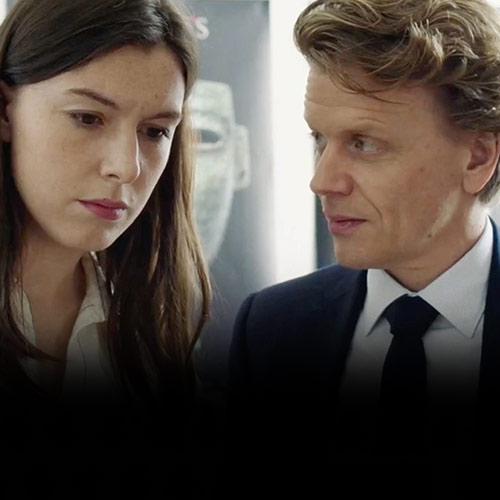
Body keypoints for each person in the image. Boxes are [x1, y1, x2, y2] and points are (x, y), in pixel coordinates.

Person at [226, 0, 500, 497]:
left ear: (478, 157)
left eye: (364, 144)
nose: (321, 181)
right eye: (319, 139)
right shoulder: (270, 330)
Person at [0, 0, 212, 495]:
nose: (127, 167)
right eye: (88, 118)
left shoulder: (149, 335)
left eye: (155, 131)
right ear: (5, 111)